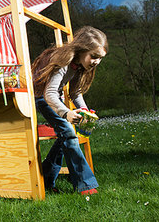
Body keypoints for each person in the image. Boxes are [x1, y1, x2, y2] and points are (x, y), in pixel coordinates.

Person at [32, 26, 108, 195]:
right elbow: (49, 93)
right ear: (82, 50)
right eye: (93, 57)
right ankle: (85, 185)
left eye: (100, 58)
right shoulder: (63, 61)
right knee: (68, 132)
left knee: (66, 135)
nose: (96, 62)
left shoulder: (79, 66)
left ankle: (46, 178)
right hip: (41, 97)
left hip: (53, 97)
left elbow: (75, 92)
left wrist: (85, 111)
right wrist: (66, 113)